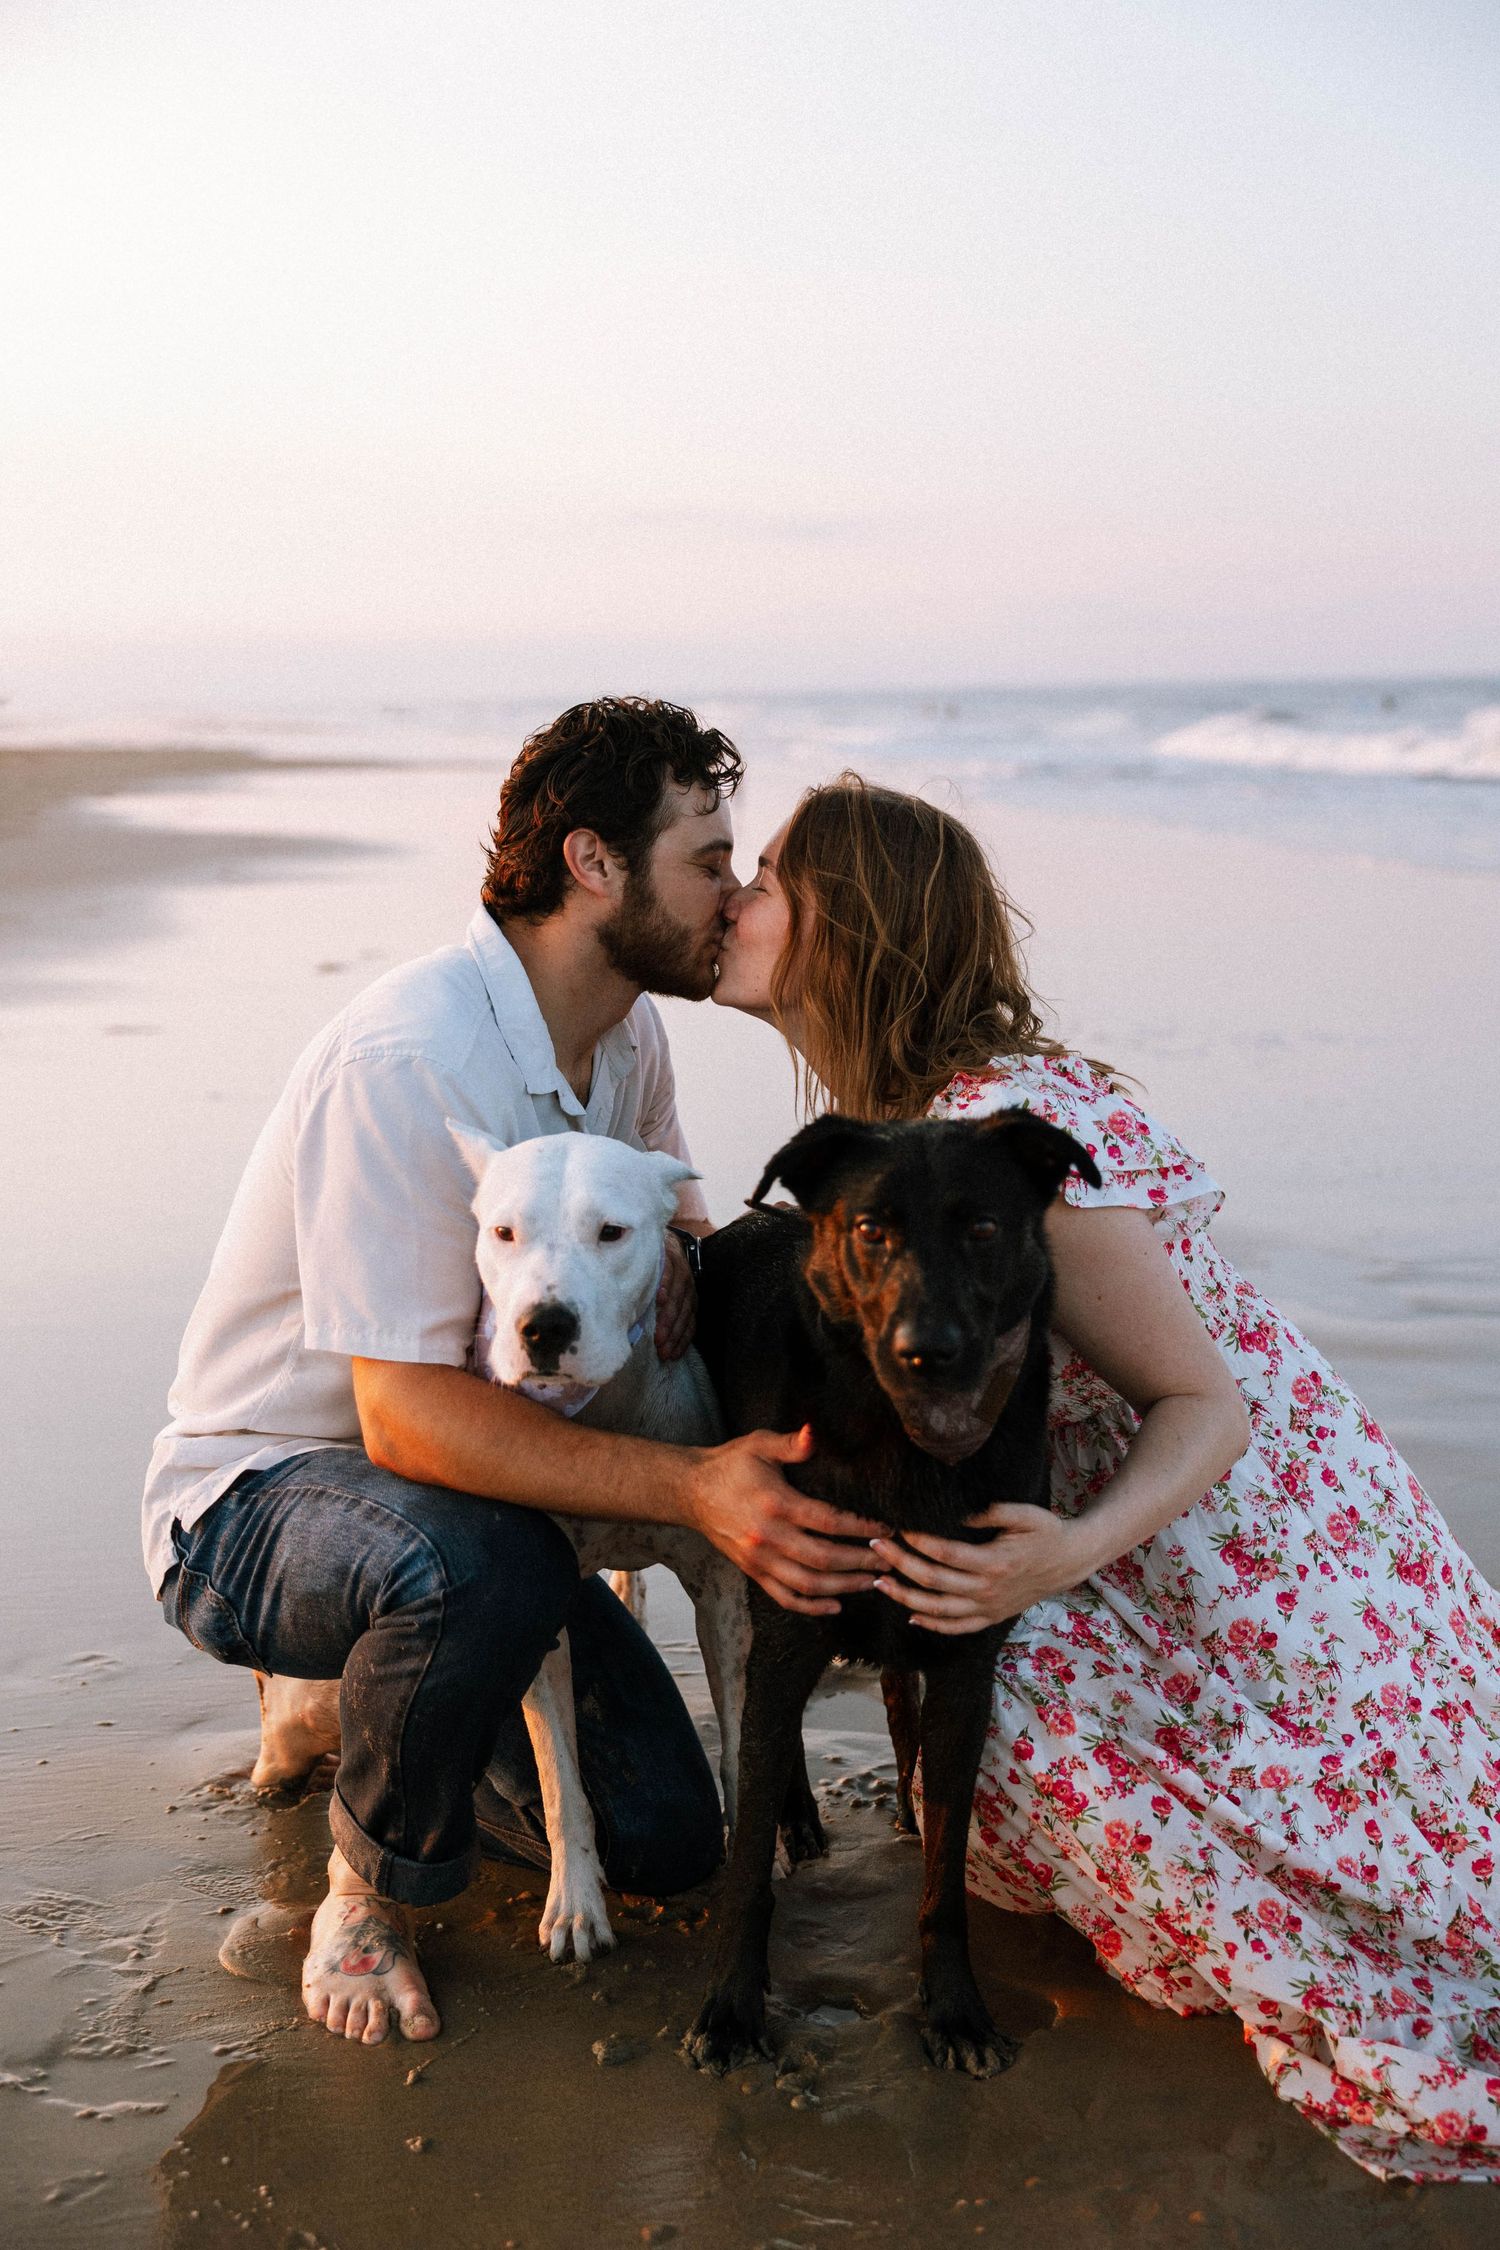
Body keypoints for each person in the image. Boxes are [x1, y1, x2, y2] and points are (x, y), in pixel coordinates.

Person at [710, 772, 1500, 2184]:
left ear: (853, 926)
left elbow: (1207, 1402)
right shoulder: (918, 1125)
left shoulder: (1003, 1124)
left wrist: (1062, 1558)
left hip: (1245, 1551)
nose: (734, 900)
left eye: (768, 879)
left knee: (1021, 1737)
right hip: (1159, 1519)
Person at [142, 701, 881, 2050]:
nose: (734, 895)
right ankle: (362, 1891)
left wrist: (689, 1258)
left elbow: (677, 1223)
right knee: (484, 1560)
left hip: (482, 1504)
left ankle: (367, 1701)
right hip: (264, 1502)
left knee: (663, 1838)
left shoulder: (628, 1038)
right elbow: (403, 1420)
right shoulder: (408, 1059)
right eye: (710, 860)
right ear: (595, 863)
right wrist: (692, 1488)